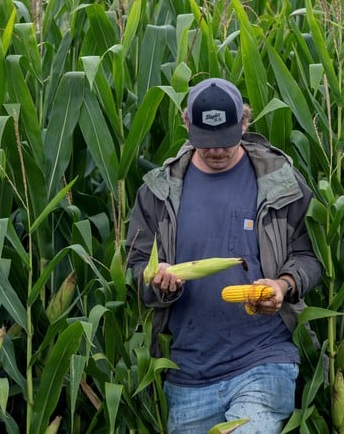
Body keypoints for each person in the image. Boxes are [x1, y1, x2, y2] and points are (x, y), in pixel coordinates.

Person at [126, 77, 323, 433]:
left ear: (244, 124)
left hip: (263, 359)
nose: (216, 151)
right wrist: (159, 282)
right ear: (186, 123)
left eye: (225, 142)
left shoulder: (280, 181)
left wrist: (283, 285)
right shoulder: (157, 192)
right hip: (188, 375)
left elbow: (310, 256)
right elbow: (136, 267)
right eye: (205, 144)